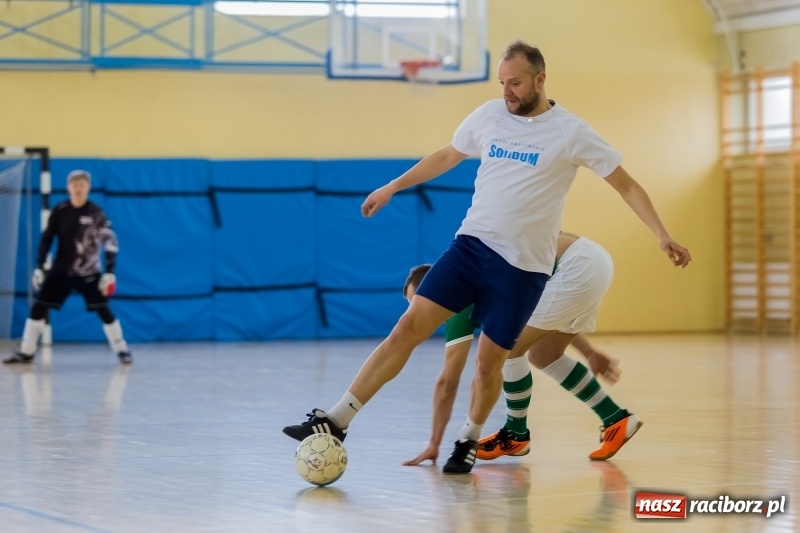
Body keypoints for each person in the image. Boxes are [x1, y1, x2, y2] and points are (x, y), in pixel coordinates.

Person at [283, 40, 690, 474]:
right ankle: (337, 420)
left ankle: (469, 439)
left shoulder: (571, 132)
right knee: (406, 327)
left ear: (540, 79)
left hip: (523, 269)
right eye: (501, 83)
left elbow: (625, 184)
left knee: (490, 362)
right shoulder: (490, 115)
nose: (507, 91)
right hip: (471, 247)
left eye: (514, 83)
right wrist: (392, 187)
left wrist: (661, 234)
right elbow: (446, 155)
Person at [401, 232, 637, 468]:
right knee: (545, 356)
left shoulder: (455, 301)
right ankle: (615, 419)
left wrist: (434, 443)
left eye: (416, 304)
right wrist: (588, 352)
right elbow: (547, 314)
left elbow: (448, 382)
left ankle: (515, 434)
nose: (417, 314)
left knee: (504, 350)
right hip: (588, 261)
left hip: (575, 266)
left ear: (432, 291)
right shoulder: (468, 277)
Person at [3, 170, 133, 366]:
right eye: (75, 185)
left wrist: (109, 272)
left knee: (103, 309)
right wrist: (39, 267)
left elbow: (110, 242)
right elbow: (46, 239)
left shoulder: (96, 213)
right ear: (68, 187)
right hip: (61, 271)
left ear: (88, 188)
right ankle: (26, 352)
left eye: (82, 185)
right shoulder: (60, 211)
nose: (78, 188)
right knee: (39, 307)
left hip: (89, 273)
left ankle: (122, 350)